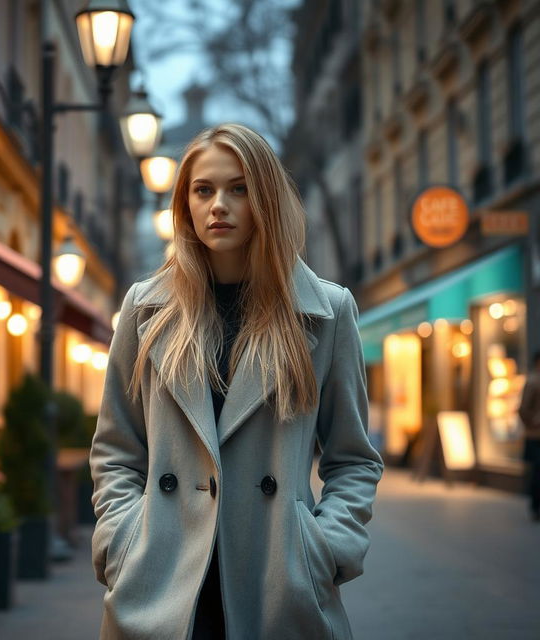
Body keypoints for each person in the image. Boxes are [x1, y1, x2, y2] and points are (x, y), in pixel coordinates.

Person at [90, 123, 383, 640]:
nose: (218, 205)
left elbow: (353, 457)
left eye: (238, 188)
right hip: (162, 579)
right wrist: (122, 542)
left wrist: (325, 549)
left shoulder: (326, 313)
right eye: (203, 190)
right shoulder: (145, 309)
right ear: (185, 204)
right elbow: (116, 449)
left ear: (265, 199)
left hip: (276, 579)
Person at [519, 350, 540, 521]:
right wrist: (533, 422)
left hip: (534, 433)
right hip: (535, 435)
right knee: (537, 472)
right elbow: (524, 409)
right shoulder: (533, 381)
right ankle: (536, 506)